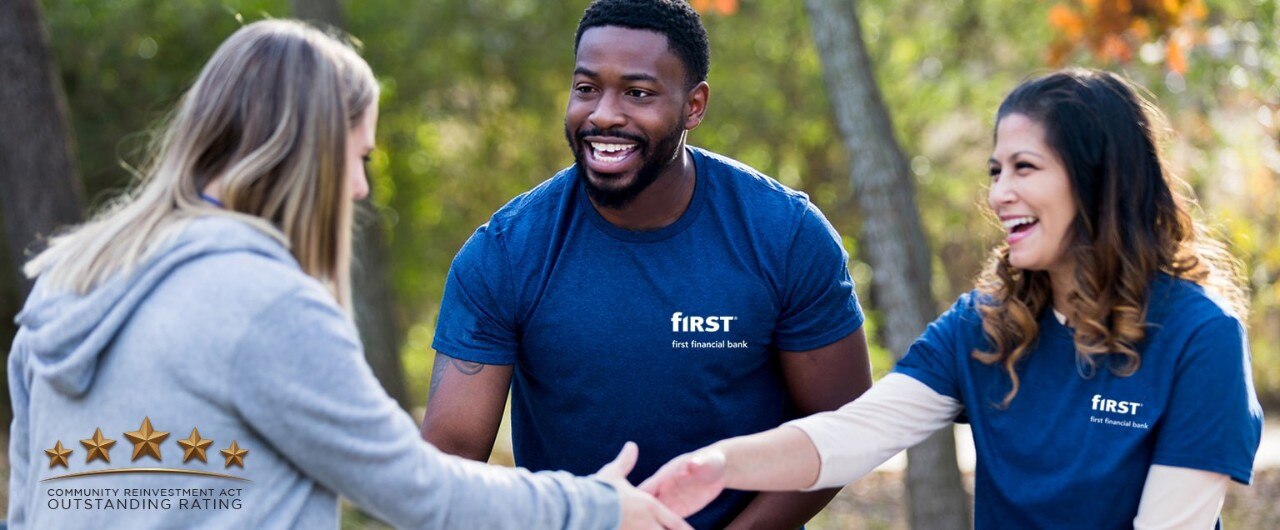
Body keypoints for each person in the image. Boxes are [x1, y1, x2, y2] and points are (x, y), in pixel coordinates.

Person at [7, 19, 690, 530]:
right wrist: (597, 506)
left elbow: (31, 500)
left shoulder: (68, 282)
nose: (361, 187)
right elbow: (415, 490)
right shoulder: (263, 305)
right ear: (305, 154)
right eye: (358, 157)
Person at [638, 68, 1265, 529]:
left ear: (1097, 179)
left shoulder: (1199, 335)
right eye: (996, 171)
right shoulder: (985, 325)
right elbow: (852, 433)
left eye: (1025, 167)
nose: (998, 195)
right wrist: (716, 466)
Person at [421, 0, 872, 527]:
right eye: (587, 88)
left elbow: (844, 428)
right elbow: (448, 459)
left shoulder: (785, 235)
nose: (604, 113)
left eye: (638, 93)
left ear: (694, 105)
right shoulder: (504, 252)